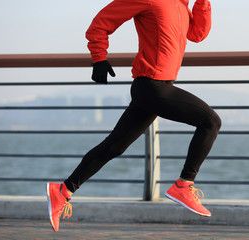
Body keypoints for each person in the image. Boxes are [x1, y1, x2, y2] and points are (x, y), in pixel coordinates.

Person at [46, 0, 220, 232]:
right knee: (210, 121)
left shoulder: (180, 5)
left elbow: (197, 34)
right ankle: (184, 184)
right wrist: (99, 57)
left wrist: (203, 3)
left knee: (114, 147)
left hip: (158, 87)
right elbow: (100, 23)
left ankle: (62, 191)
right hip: (152, 87)